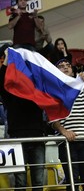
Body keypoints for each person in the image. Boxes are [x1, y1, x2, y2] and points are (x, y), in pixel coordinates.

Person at [52, 58, 84, 191]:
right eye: (61, 66)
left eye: (68, 65)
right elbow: (51, 118)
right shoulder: (53, 91)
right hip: (66, 142)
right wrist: (64, 131)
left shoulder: (81, 88)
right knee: (72, 182)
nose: (65, 67)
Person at [0, 48, 46, 190]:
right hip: (16, 138)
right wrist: (8, 58)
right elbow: (1, 79)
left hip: (37, 137)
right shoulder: (9, 92)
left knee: (38, 182)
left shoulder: (37, 90)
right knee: (20, 182)